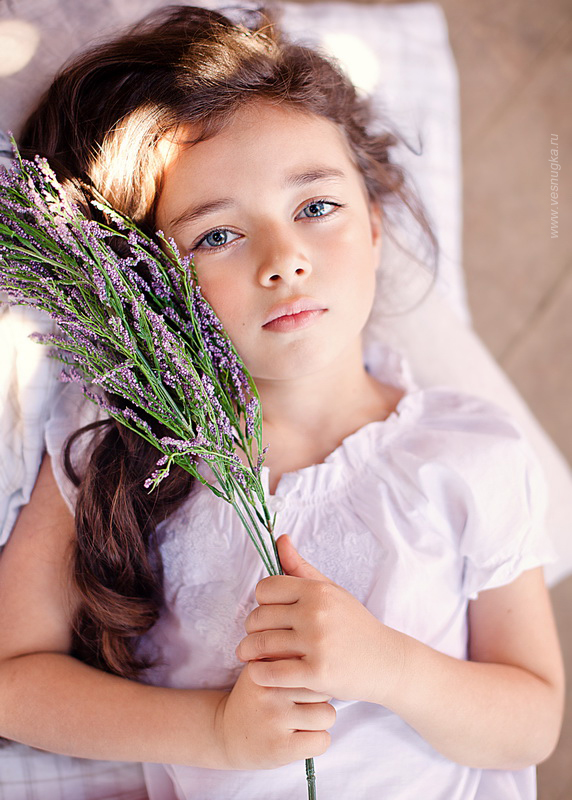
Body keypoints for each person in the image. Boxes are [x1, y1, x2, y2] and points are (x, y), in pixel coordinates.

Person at [0, 5, 565, 798]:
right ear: (145, 289)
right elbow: (14, 680)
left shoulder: (468, 450)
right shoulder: (120, 450)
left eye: (316, 208)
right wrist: (215, 732)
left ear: (375, 224)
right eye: (217, 236)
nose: (284, 259)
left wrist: (388, 666)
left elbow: (531, 721)